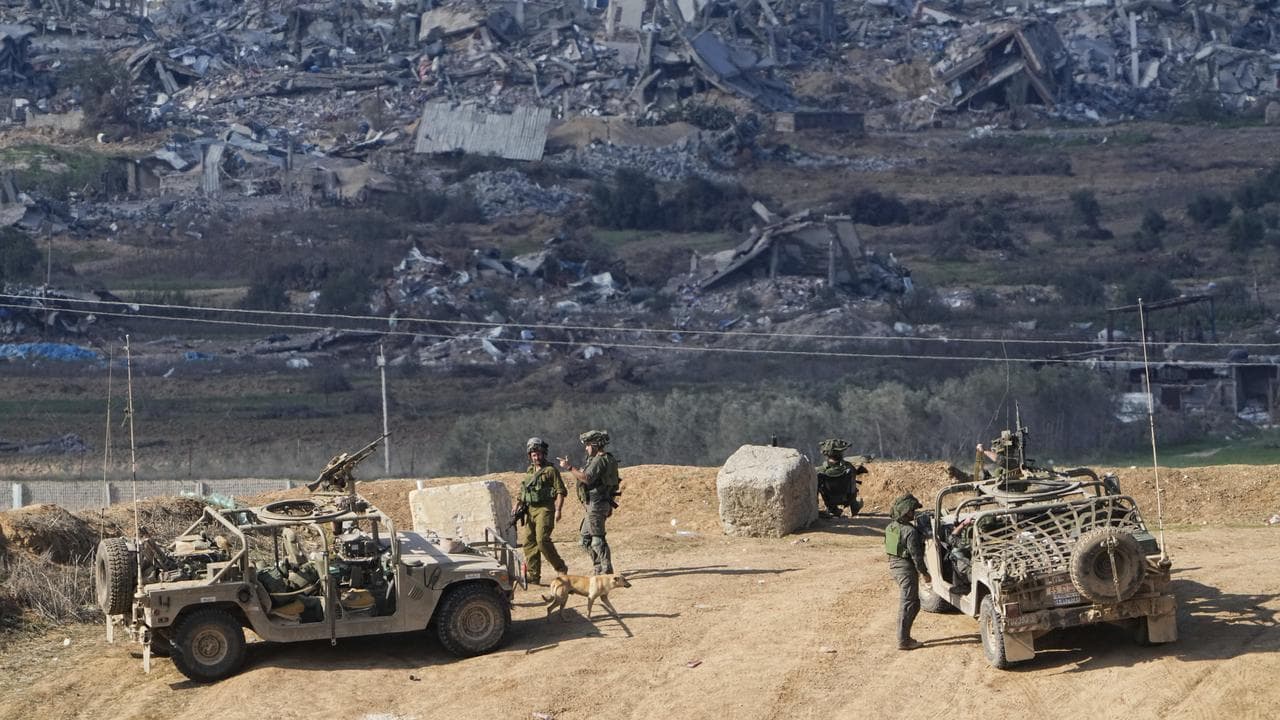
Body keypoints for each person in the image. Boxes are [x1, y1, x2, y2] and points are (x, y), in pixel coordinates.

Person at [558, 430, 619, 575]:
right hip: (594, 504)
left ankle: (606, 570)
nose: (586, 448)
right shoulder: (601, 459)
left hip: (596, 503)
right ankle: (598, 566)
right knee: (585, 539)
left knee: (597, 539)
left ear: (595, 445)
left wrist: (569, 467)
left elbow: (586, 478)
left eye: (588, 445)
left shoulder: (599, 460)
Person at [517, 437, 568, 586]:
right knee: (529, 542)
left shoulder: (551, 471)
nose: (536, 457)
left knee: (542, 540)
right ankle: (533, 575)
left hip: (545, 509)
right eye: (533, 455)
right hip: (530, 509)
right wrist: (518, 504)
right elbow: (523, 491)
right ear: (530, 456)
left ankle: (560, 567)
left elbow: (560, 491)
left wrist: (558, 510)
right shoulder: (530, 471)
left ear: (544, 454)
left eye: (539, 454)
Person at [885, 493, 931, 651]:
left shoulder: (891, 526)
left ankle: (905, 638)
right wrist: (925, 573)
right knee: (909, 604)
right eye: (911, 511)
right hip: (905, 569)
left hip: (895, 566)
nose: (913, 513)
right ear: (905, 512)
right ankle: (903, 641)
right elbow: (916, 556)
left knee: (913, 603)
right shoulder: (909, 531)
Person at [814, 438, 868, 518]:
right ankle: (854, 506)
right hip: (847, 498)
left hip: (829, 500)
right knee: (852, 481)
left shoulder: (820, 471)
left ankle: (833, 510)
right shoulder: (849, 467)